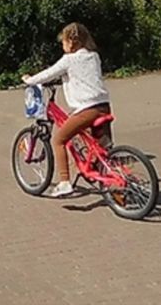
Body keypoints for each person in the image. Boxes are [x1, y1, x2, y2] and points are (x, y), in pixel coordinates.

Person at [22, 22, 111, 199]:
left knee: (58, 140)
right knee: (101, 147)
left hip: (86, 109)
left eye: (63, 42)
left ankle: (64, 182)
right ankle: (101, 173)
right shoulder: (94, 56)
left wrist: (29, 80)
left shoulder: (69, 60)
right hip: (103, 106)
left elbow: (49, 73)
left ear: (71, 42)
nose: (62, 46)